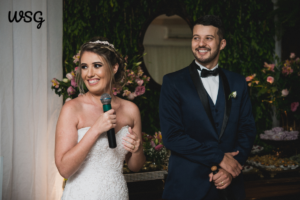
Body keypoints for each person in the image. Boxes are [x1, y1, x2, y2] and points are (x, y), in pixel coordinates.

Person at [159, 15, 256, 200]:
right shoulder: (172, 82)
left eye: (208, 38)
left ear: (222, 43)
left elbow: (247, 130)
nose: (200, 43)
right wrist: (220, 158)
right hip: (186, 187)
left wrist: (230, 169)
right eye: (196, 37)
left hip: (229, 188)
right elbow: (172, 136)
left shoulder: (238, 82)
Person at [55, 37, 145, 200]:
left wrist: (137, 149)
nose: (89, 74)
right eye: (84, 67)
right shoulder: (72, 109)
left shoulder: (131, 110)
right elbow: (64, 169)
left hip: (117, 194)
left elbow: (135, 167)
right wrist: (95, 129)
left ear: (114, 67)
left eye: (97, 65)